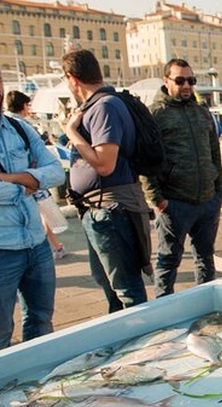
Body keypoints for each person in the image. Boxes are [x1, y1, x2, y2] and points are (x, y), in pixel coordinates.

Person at [0, 54, 66, 353]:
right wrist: (29, 183)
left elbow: (56, 171)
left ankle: (35, 388)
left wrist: (9, 178)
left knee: (41, 322)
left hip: (36, 245)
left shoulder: (19, 128)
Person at [61, 49, 154, 313]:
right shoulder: (101, 106)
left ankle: (141, 340)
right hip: (101, 209)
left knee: (126, 289)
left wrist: (71, 132)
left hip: (112, 211)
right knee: (111, 284)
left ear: (72, 79)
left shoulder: (104, 107)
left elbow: (105, 164)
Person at [142, 58, 222, 297]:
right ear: (167, 81)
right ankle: (163, 309)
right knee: (168, 262)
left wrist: (217, 190)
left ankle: (205, 305)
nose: (187, 85)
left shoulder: (201, 112)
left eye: (191, 80)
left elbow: (214, 151)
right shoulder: (156, 115)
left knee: (206, 260)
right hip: (175, 202)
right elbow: (145, 160)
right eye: (180, 80)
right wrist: (156, 199)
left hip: (207, 202)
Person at [7, 89, 67, 260]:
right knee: (42, 213)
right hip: (30, 179)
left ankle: (53, 246)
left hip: (13, 182)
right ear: (24, 106)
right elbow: (42, 157)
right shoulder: (22, 125)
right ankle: (54, 247)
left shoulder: (5, 124)